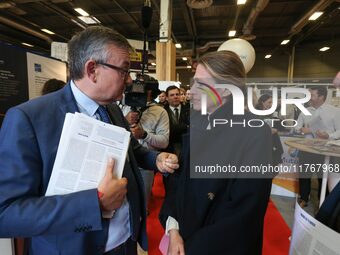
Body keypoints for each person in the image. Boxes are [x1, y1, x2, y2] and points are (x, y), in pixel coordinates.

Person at [0, 26, 178, 255]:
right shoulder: (30, 119)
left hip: (125, 244)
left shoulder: (112, 109)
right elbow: (6, 214)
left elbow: (131, 150)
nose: (130, 79)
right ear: (92, 69)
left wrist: (156, 159)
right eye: (124, 70)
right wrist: (96, 203)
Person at [159, 50, 273, 255]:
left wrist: (191, 248)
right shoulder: (199, 122)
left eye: (200, 84)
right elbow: (179, 184)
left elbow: (245, 212)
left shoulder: (255, 133)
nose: (190, 91)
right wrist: (173, 228)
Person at [297, 86, 340, 208]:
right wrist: (301, 130)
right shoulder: (305, 110)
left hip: (325, 151)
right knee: (304, 176)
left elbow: (339, 130)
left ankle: (322, 204)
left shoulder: (334, 111)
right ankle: (304, 198)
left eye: (312, 95)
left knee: (323, 179)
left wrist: (329, 135)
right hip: (306, 149)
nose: (308, 97)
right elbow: (296, 127)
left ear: (321, 97)